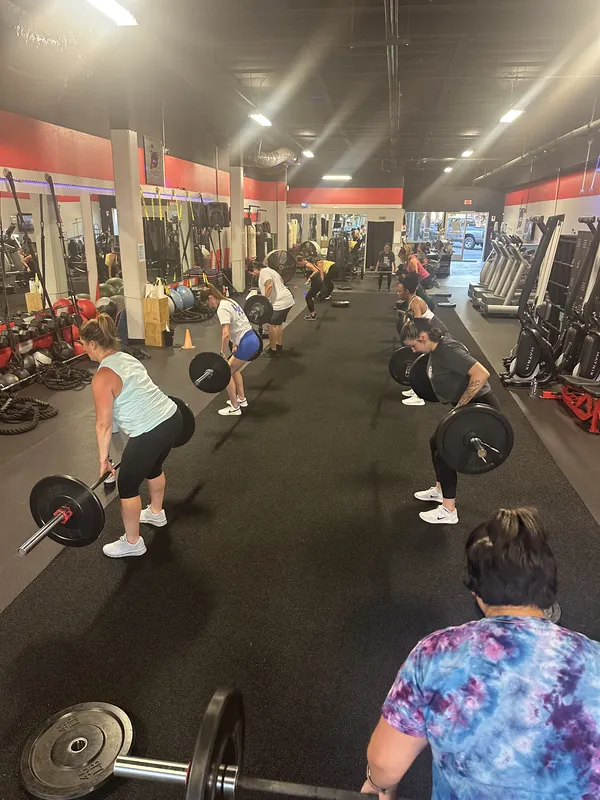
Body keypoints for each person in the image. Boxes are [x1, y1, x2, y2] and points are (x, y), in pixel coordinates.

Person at [362, 507, 600, 799]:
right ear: (548, 585)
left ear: (476, 591)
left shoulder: (436, 655)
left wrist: (377, 785)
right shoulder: (595, 661)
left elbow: (385, 763)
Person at [80, 314, 183, 559]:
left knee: (126, 484)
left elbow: (104, 425)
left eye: (84, 344)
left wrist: (103, 461)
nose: (83, 349)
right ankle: (156, 513)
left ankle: (133, 542)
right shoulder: (125, 357)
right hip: (172, 417)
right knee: (153, 466)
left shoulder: (102, 377)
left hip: (150, 430)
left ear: (93, 344)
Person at [400, 317, 498, 524]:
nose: (414, 351)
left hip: (479, 409)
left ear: (424, 337)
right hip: (469, 406)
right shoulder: (437, 343)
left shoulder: (449, 350)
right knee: (435, 443)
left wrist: (461, 408)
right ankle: (440, 489)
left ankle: (448, 510)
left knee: (445, 450)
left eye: (414, 345)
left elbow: (481, 374)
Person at [200, 283, 261, 415]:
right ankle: (241, 399)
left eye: (207, 303)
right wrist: (235, 343)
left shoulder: (222, 308)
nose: (209, 307)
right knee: (233, 369)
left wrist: (222, 352)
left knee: (225, 373)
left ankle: (235, 407)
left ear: (210, 298)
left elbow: (226, 333)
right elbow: (239, 321)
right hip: (251, 338)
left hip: (247, 342)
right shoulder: (229, 301)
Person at [397, 273, 447, 408]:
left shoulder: (415, 303)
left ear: (407, 291)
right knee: (419, 360)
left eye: (399, 291)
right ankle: (415, 390)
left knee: (422, 363)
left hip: (437, 333)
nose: (398, 293)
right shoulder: (412, 300)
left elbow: (419, 327)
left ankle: (420, 396)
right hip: (430, 331)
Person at [251, 261, 295, 357]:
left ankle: (273, 350)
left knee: (271, 326)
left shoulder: (264, 272)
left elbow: (269, 285)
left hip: (280, 302)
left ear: (255, 269)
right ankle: (278, 346)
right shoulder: (269, 270)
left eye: (253, 273)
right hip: (287, 300)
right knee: (278, 325)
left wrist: (264, 301)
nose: (253, 275)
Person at [296, 255, 323, 321]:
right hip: (316, 283)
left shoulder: (308, 265)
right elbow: (318, 270)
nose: (299, 265)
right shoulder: (308, 264)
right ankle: (318, 296)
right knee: (310, 296)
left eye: (299, 264)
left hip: (317, 283)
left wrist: (309, 279)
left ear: (302, 261)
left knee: (308, 297)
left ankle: (313, 315)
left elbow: (316, 271)